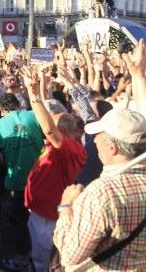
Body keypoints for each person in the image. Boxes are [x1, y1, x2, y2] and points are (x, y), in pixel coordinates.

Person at [53, 108, 146, 271]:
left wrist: (66, 207)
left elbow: (70, 255)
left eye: (98, 137)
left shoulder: (103, 192)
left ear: (112, 148)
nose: (94, 140)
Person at [20, 66, 87, 272]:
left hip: (50, 219)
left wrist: (34, 96)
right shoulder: (61, 145)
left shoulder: (72, 149)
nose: (46, 132)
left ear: (63, 131)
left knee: (46, 264)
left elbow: (49, 128)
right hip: (40, 213)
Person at [0, 93, 44, 270]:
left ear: (2, 110)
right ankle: (37, 254)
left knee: (15, 223)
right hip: (39, 181)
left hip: (15, 183)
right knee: (38, 221)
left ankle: (18, 258)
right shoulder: (34, 115)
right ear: (18, 104)